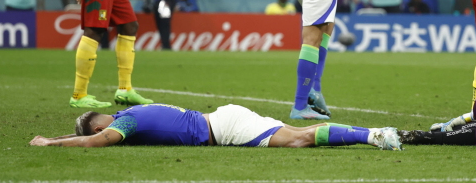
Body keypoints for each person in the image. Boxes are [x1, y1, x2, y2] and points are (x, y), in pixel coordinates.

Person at [28, 103, 401, 151]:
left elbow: (98, 143)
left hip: (223, 129)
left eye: (96, 129)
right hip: (223, 121)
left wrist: (51, 143)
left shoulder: (124, 122)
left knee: (299, 140)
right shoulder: (133, 113)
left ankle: (374, 135)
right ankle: (372, 134)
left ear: (98, 125)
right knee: (296, 136)